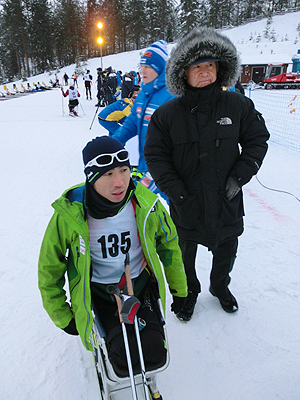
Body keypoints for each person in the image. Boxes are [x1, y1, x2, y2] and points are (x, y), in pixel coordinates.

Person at [144, 27, 270, 321]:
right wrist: (176, 192)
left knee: (226, 250)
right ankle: (189, 293)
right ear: (183, 73)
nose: (204, 72)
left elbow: (257, 139)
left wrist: (239, 177)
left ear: (219, 68)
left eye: (209, 65)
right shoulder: (166, 115)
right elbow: (155, 156)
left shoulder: (238, 105)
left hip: (226, 200)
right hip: (186, 201)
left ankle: (219, 286)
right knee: (183, 254)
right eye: (197, 67)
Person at [38, 136, 187, 376]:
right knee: (120, 353)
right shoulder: (71, 214)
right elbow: (49, 267)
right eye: (107, 174)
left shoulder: (145, 204)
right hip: (98, 293)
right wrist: (62, 315)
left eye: (124, 170)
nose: (119, 182)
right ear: (91, 177)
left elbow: (169, 247)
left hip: (138, 287)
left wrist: (180, 290)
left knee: (153, 349)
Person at [112, 40, 174, 203]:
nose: (143, 71)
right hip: (145, 165)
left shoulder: (171, 95)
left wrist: (156, 172)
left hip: (167, 170)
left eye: (148, 67)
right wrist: (111, 143)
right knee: (141, 207)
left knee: (179, 208)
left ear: (159, 69)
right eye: (142, 66)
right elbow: (130, 124)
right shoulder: (143, 94)